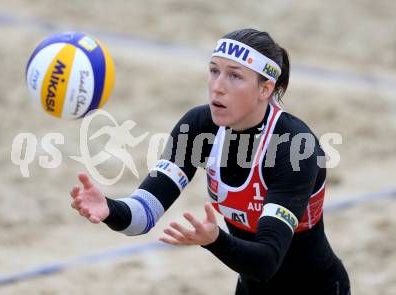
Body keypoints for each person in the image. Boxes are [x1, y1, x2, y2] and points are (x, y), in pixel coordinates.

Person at [70, 28, 351, 295]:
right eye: (214, 71)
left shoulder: (293, 147)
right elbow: (143, 215)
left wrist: (214, 239)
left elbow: (266, 262)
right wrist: (109, 208)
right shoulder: (199, 127)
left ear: (265, 89)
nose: (217, 87)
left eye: (234, 76)